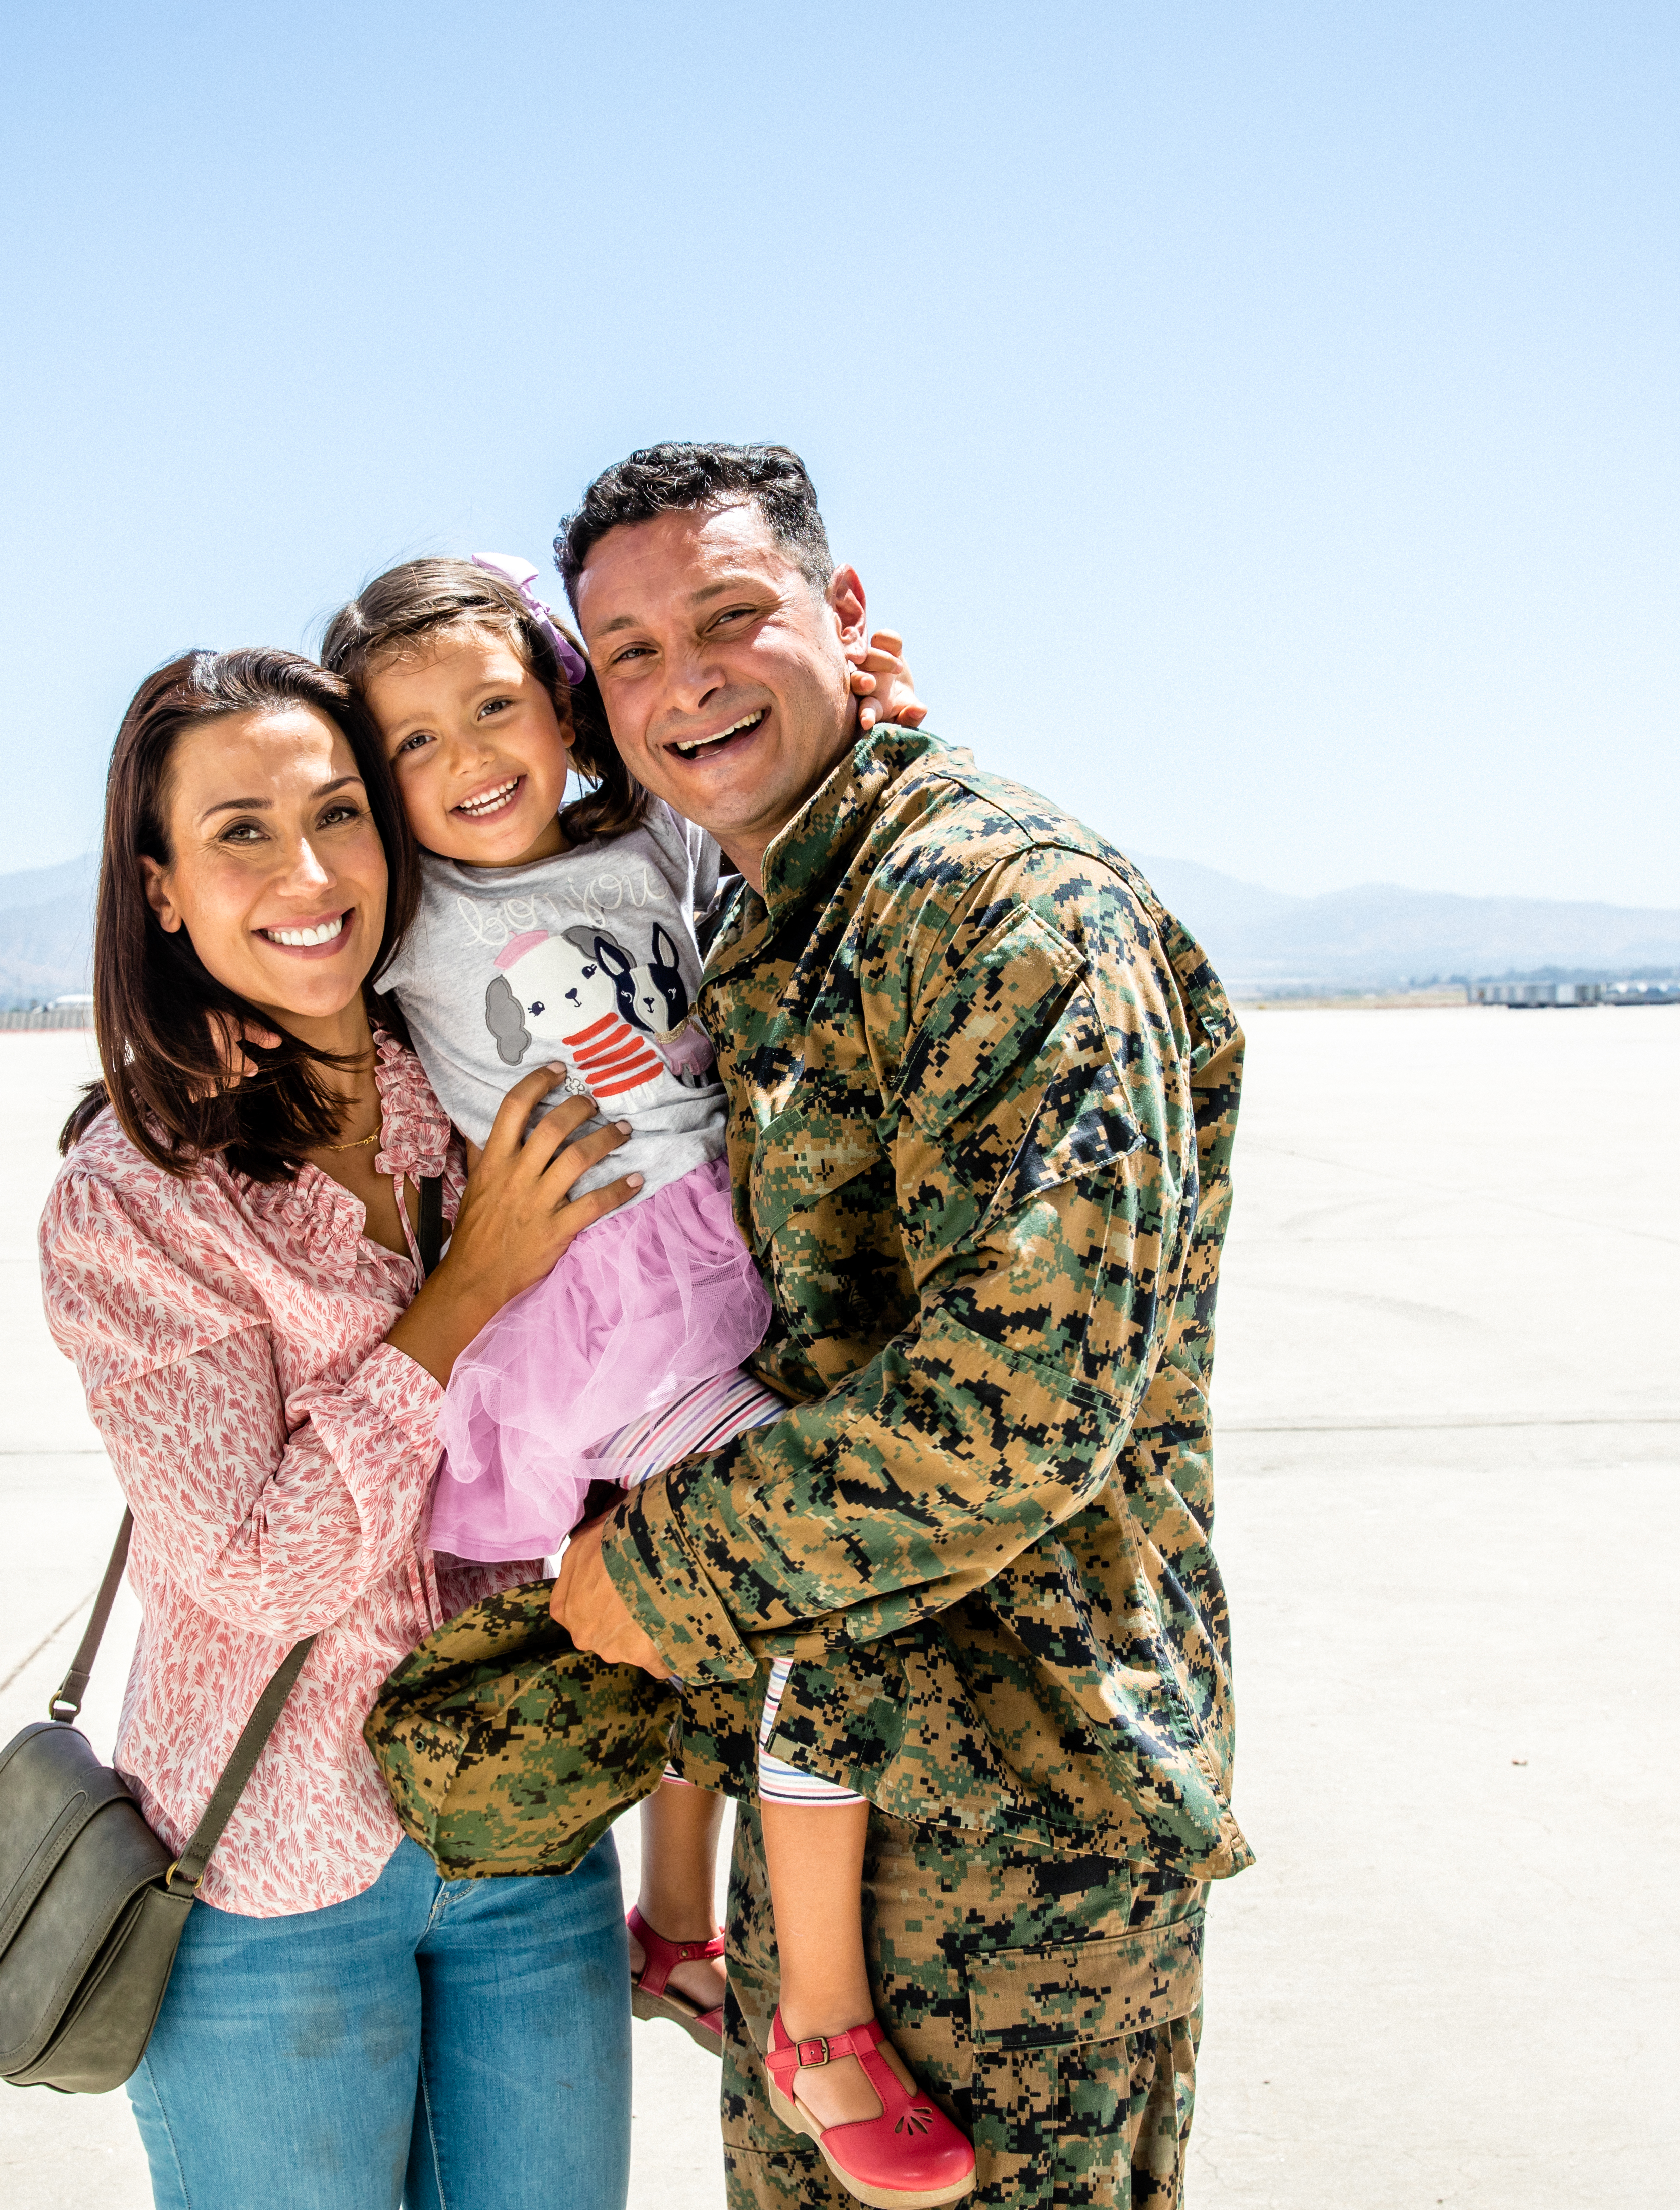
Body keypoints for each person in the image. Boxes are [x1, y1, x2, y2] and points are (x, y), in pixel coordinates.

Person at [545, 445, 1249, 2209]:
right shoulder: (778, 916)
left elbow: (1010, 1406)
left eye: (728, 617)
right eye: (627, 653)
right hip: (842, 1817)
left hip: (1017, 1840)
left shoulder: (1003, 911)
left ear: (845, 620)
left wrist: (661, 1572)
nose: (683, 679)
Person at [317, 557, 976, 2210]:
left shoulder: (647, 844)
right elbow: (281, 944)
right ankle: (817, 2017)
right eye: (413, 744)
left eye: (495, 705)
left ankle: (677, 1920)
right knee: (820, 1590)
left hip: (723, 1269)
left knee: (710, 1617)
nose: (471, 758)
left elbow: (762, 810)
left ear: (561, 700)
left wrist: (873, 708)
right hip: (614, 1325)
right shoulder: (412, 929)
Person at [36, 645, 642, 2210]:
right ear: (160, 887)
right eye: (240, 831)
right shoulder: (135, 1194)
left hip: (523, 1820)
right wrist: (464, 1293)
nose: (308, 874)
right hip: (271, 1874)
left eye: (340, 813)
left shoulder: (470, 1062)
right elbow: (257, 1563)